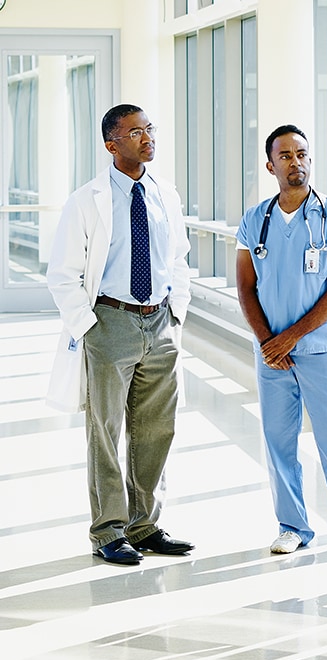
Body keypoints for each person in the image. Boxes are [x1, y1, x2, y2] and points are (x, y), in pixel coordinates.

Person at [46, 104, 195, 565]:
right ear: (112, 144)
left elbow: (178, 258)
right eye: (135, 132)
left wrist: (175, 312)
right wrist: (88, 326)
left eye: (150, 129)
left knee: (156, 428)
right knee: (106, 431)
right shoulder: (86, 199)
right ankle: (108, 530)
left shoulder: (164, 194)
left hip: (160, 321)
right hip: (110, 321)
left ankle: (144, 524)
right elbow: (62, 273)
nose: (147, 137)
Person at [235, 124, 327, 559]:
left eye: (302, 154)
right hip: (272, 355)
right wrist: (268, 342)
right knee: (278, 441)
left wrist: (290, 339)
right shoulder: (253, 220)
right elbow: (246, 288)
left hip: (320, 349)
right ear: (270, 165)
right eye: (285, 156)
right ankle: (292, 526)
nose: (295, 162)